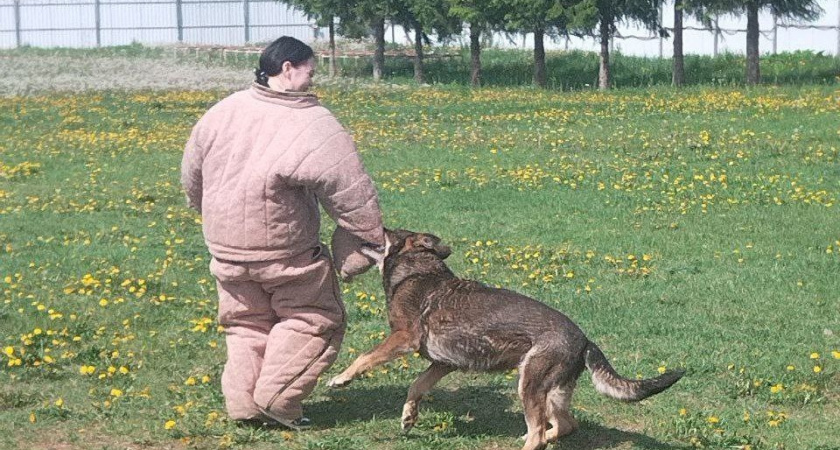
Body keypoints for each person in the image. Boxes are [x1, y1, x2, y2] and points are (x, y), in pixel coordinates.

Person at [181, 36, 385, 430]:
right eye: (310, 71)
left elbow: (192, 176)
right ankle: (278, 398)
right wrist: (367, 241)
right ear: (288, 69)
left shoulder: (223, 110)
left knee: (246, 324)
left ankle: (243, 406)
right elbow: (350, 190)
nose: (313, 80)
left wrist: (209, 214)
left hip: (225, 251)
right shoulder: (311, 122)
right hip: (285, 251)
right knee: (313, 318)